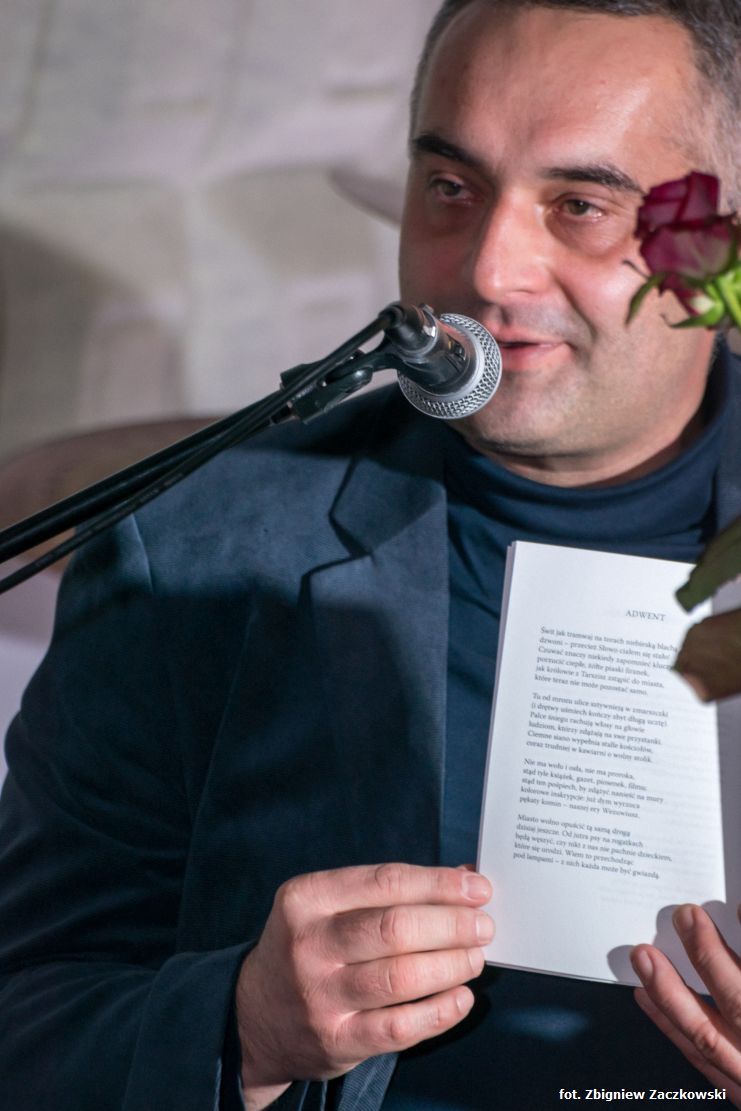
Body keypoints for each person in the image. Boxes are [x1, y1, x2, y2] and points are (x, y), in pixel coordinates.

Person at [1, 1, 740, 1108]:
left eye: (580, 206)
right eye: (450, 187)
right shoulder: (191, 549)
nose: (489, 269)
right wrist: (239, 1029)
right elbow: (25, 1018)